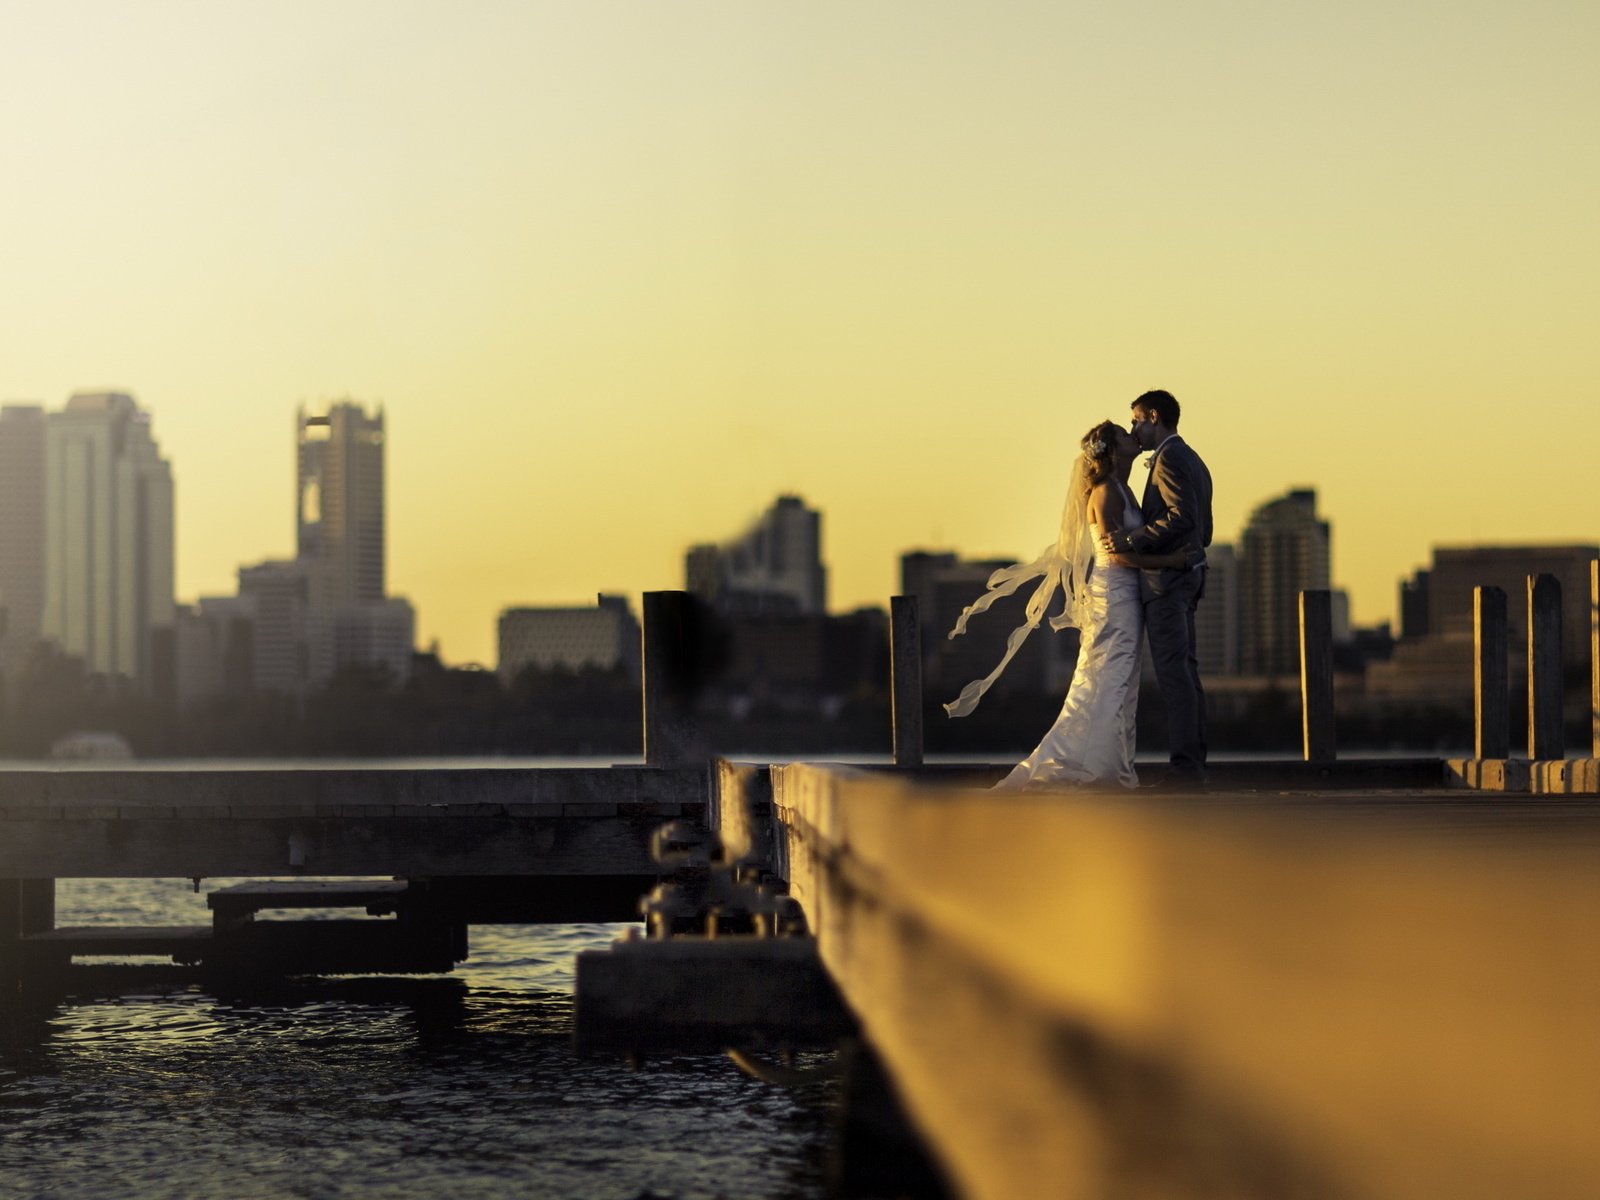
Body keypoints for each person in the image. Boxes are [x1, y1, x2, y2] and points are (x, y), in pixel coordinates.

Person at [942, 419, 1192, 788]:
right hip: (1113, 596)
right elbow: (1118, 557)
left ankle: (1109, 766)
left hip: (1127, 596)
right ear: (1111, 450)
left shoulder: (1123, 489)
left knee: (1119, 681)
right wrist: (1172, 562)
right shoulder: (1106, 493)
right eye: (1124, 434)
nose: (1132, 436)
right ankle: (1098, 771)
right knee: (1111, 680)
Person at [1100, 389, 1212, 786]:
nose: (1134, 429)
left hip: (1166, 584)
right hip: (1185, 577)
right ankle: (1194, 764)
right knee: (1187, 673)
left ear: (1152, 416)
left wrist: (1135, 540)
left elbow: (1183, 518)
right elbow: (1204, 527)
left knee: (1174, 676)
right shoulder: (1192, 458)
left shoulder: (1169, 459)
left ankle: (1185, 769)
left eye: (1135, 421)